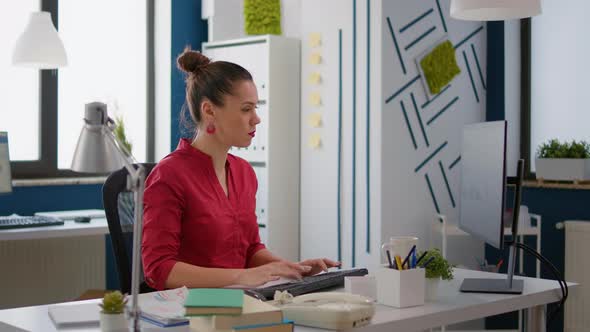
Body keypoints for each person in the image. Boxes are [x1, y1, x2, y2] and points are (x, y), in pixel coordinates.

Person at [142, 47, 339, 290]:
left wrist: (293, 269)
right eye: (246, 109)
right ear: (209, 110)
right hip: (190, 312)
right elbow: (158, 269)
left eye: (255, 108)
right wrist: (242, 276)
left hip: (239, 301)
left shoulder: (244, 173)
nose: (256, 118)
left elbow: (250, 249)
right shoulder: (169, 175)